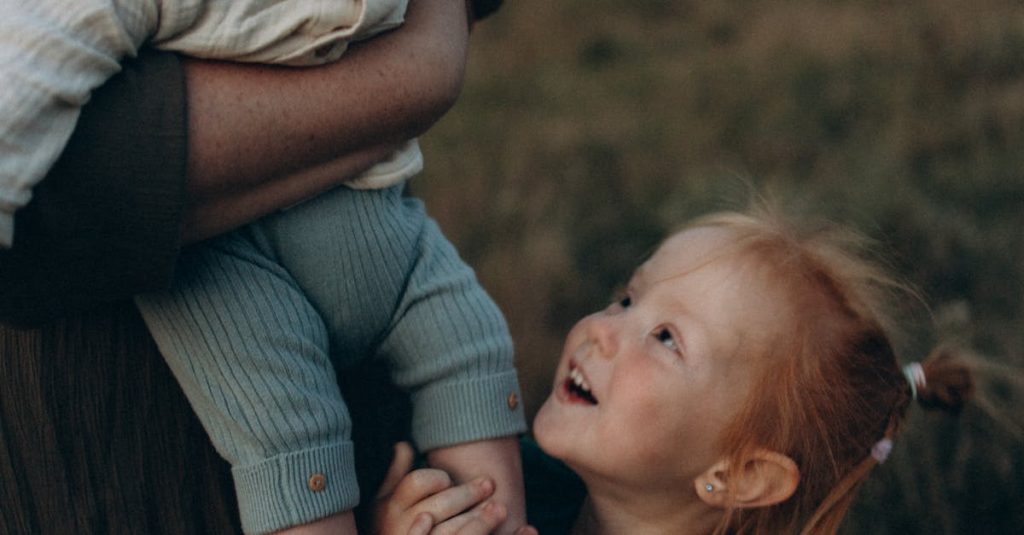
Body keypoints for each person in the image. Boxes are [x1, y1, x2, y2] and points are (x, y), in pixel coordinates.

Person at [2, 0, 527, 533]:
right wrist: (423, 70)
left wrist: (433, 51)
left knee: (473, 356)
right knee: (291, 443)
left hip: (386, 234)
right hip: (220, 271)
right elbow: (29, 66)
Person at [375, 205, 975, 534]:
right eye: (628, 299)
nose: (601, 329)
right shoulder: (517, 479)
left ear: (740, 475)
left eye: (666, 339)